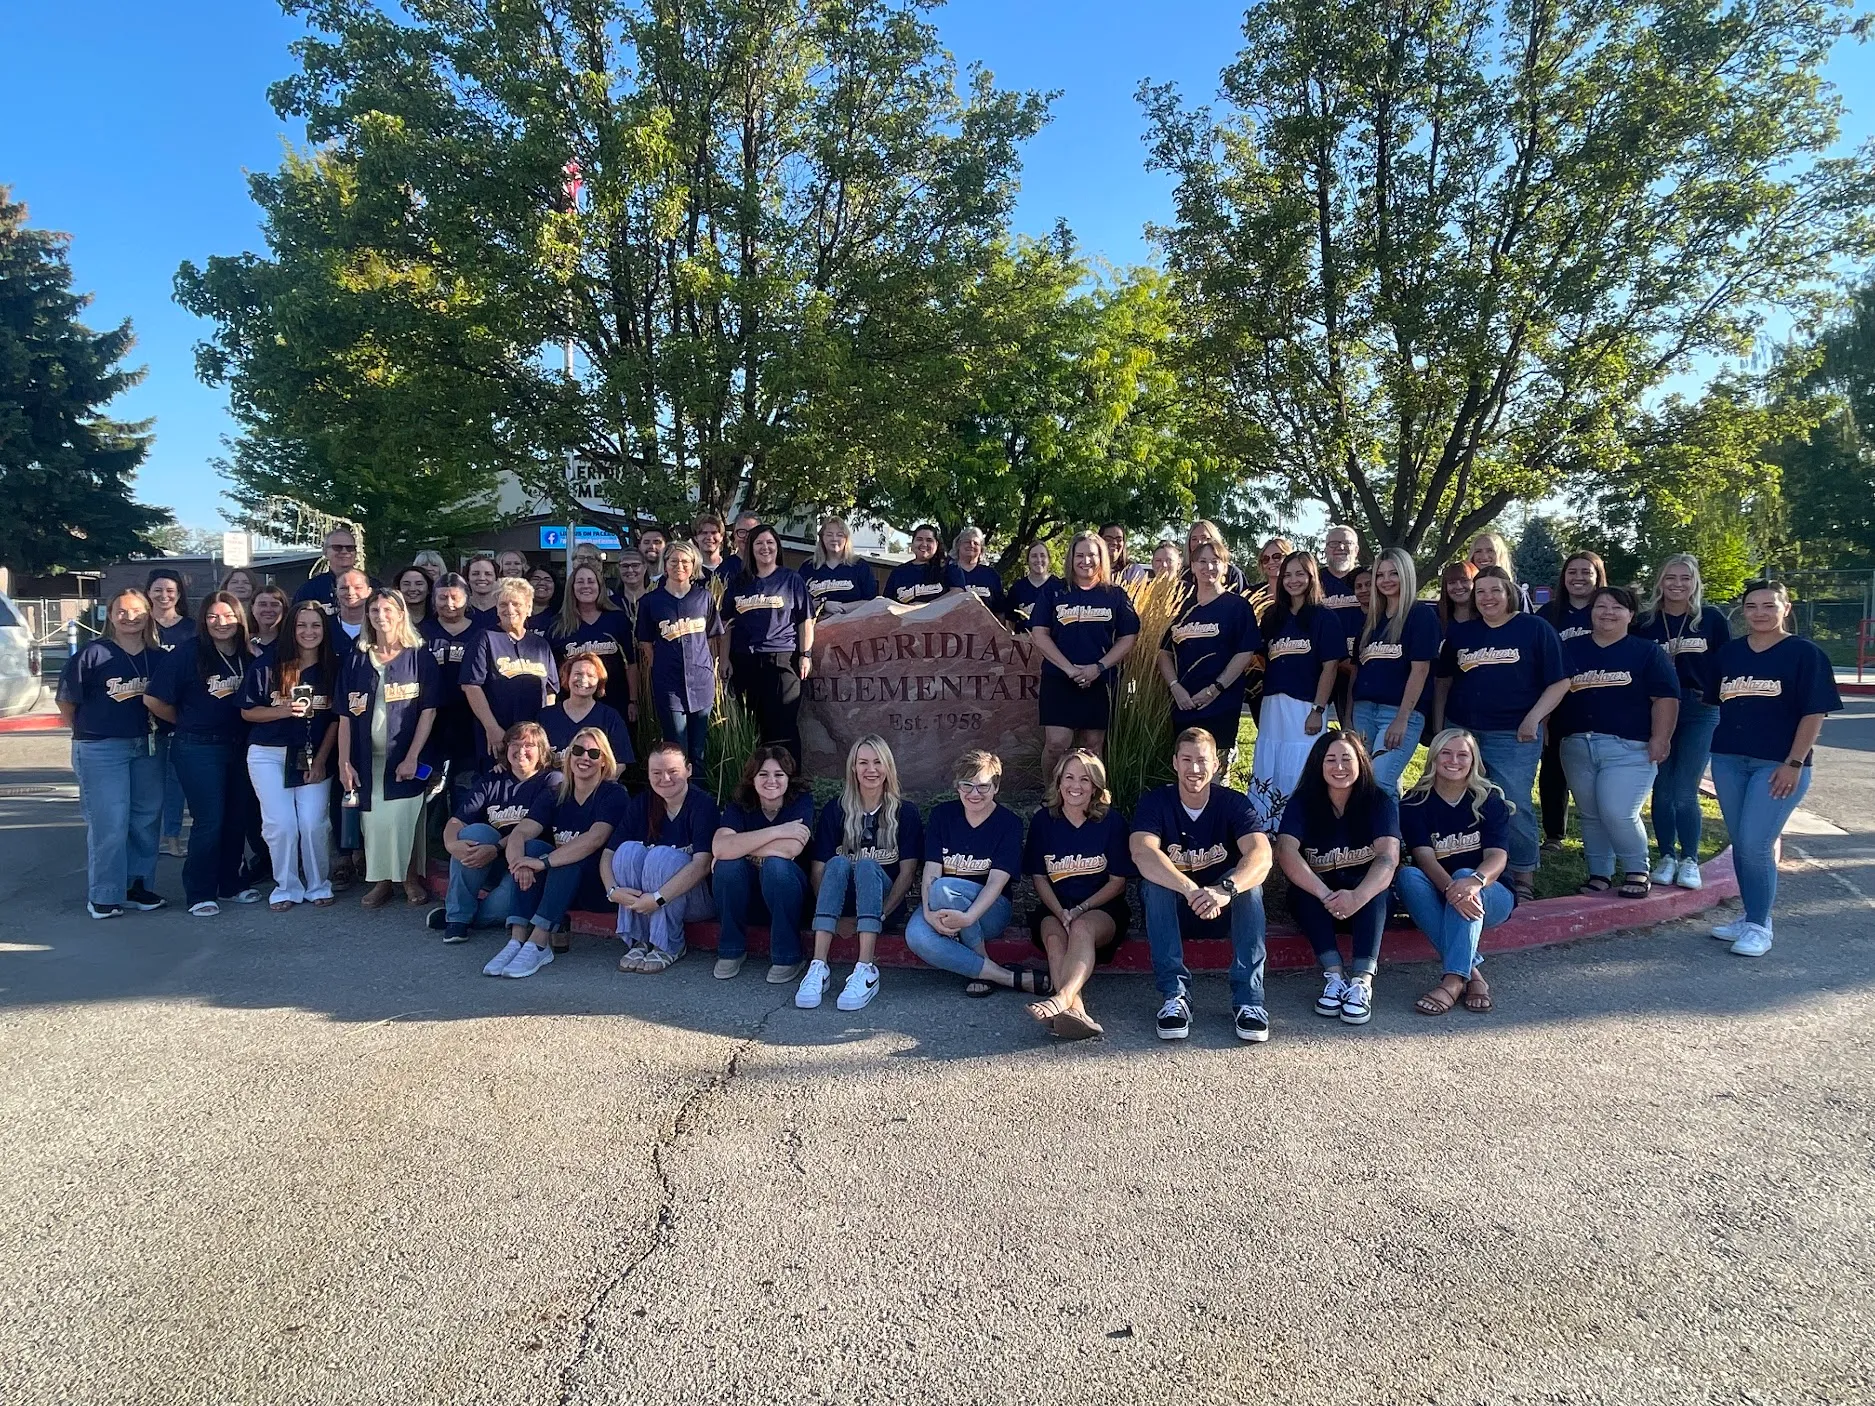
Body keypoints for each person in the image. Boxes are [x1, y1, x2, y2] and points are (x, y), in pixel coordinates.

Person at [1707, 580, 1843, 958]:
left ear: (1786, 608)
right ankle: (1749, 915)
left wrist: (1794, 762)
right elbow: (1714, 701)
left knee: (1755, 842)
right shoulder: (1730, 654)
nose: (1760, 613)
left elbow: (1814, 713)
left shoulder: (1804, 654)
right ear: (1743, 610)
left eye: (1769, 605)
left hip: (1778, 764)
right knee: (1742, 843)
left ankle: (1760, 925)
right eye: (1752, 606)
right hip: (1729, 760)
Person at [1432, 565, 1569, 901]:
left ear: (1509, 593)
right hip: (1464, 732)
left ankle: (1523, 874)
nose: (1487, 597)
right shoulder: (1462, 634)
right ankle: (1473, 864)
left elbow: (1560, 682)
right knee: (1463, 800)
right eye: (1481, 592)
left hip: (1514, 734)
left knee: (1512, 801)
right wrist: (1440, 728)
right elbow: (1443, 682)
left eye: (1495, 590)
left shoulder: (1534, 629)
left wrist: (1533, 719)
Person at [1130, 727, 1271, 1041]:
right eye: (1187, 760)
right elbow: (1142, 851)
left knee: (1251, 888)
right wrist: (1190, 889)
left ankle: (1249, 1000)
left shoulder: (1234, 803)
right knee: (1155, 884)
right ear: (1175, 763)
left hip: (1222, 911)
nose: (1194, 769)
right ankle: (1175, 996)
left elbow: (1262, 855)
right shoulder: (1156, 802)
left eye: (1202, 760)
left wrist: (1226, 890)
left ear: (1216, 765)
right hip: (1175, 911)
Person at [1554, 585, 1680, 898]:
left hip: (1628, 748)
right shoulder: (1570, 649)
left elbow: (1665, 698)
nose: (1608, 613)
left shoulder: (1646, 652)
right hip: (1576, 745)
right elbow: (1552, 690)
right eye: (1601, 607)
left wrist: (1660, 739)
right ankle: (1600, 873)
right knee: (1591, 812)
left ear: (1630, 615)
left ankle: (1637, 869)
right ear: (1590, 612)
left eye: (1617, 608)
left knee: (1617, 810)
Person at [1276, 729, 1401, 1026]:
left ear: (1361, 762)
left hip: (1366, 903)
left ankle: (1361, 982)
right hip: (1321, 901)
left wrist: (1357, 896)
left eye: (1347, 758)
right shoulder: (1303, 802)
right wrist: (1324, 894)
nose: (1339, 767)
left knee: (1376, 889)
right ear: (1318, 764)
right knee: (1300, 893)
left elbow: (1387, 857)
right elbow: (1285, 851)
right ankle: (1334, 976)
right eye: (1330, 759)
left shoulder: (1378, 802)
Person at [144, 593, 259, 916]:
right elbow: (153, 700)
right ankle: (199, 892)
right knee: (209, 820)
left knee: (236, 818)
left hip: (239, 745)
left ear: (240, 619)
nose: (222, 623)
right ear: (204, 621)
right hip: (198, 746)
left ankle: (230, 883)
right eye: (213, 617)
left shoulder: (247, 655)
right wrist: (186, 721)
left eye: (228, 616)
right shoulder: (188, 654)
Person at [57, 589, 168, 918]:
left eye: (137, 611)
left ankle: (137, 885)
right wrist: (84, 731)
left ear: (149, 614)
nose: (130, 617)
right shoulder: (93, 654)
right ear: (110, 614)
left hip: (148, 743)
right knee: (110, 822)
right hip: (101, 746)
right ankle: (104, 894)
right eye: (122, 611)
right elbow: (66, 701)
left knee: (146, 820)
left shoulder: (158, 657)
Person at [487, 726, 631, 974]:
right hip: (558, 885)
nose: (584, 757)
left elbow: (594, 839)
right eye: (578, 750)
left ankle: (540, 943)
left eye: (593, 754)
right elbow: (521, 832)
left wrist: (543, 863)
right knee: (530, 847)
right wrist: (518, 862)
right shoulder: (555, 792)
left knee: (567, 859)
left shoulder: (614, 794)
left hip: (596, 886)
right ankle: (517, 939)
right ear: (569, 756)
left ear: (604, 762)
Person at [795, 735, 922, 1012]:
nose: (871, 769)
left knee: (866, 865)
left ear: (888, 767)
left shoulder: (905, 813)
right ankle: (819, 968)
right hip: (841, 905)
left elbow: (907, 873)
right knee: (838, 864)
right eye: (863, 762)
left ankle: (866, 969)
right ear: (853, 768)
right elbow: (818, 871)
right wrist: (837, 918)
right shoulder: (835, 809)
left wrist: (882, 914)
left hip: (883, 907)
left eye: (878, 762)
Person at [904, 750, 1046, 997]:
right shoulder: (942, 816)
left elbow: (996, 882)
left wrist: (968, 918)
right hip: (941, 904)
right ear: (957, 786)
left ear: (996, 787)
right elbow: (931, 871)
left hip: (990, 912)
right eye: (966, 785)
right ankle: (1002, 976)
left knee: (943, 888)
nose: (974, 794)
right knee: (916, 936)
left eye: (982, 786)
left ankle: (978, 954)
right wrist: (927, 912)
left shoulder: (1008, 823)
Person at [1395, 728, 1515, 1015]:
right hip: (1443, 892)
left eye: (1463, 754)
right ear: (1434, 758)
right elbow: (1424, 858)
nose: (1454, 761)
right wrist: (1453, 891)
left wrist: (1473, 882)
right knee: (1407, 877)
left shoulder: (1489, 798)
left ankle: (1451, 981)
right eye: (1446, 753)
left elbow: (1497, 856)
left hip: (1491, 896)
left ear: (1473, 761)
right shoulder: (1414, 802)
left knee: (1464, 873)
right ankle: (1473, 975)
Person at [337, 588, 440, 909]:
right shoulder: (357, 658)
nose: (381, 616)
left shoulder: (418, 656)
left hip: (404, 757)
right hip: (366, 760)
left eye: (387, 610)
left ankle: (408, 879)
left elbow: (429, 709)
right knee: (374, 822)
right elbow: (343, 713)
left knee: (402, 819)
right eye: (375, 611)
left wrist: (413, 756)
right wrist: (344, 762)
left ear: (400, 614)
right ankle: (381, 881)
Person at [1023, 749, 1135, 1041]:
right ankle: (1077, 1011)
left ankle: (1060, 999)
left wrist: (1081, 908)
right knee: (1054, 937)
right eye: (1069, 777)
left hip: (1102, 910)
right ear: (1058, 782)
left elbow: (1118, 882)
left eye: (1085, 779)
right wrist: (1061, 911)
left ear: (1096, 786)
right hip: (1055, 907)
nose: (1076, 786)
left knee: (1081, 928)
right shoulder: (1043, 822)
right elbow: (1038, 876)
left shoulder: (1112, 822)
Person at [1639, 553, 1732, 889]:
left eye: (1685, 578)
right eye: (1670, 578)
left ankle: (1690, 858)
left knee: (1684, 788)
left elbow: (1727, 664)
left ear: (1695, 583)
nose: (1677, 585)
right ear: (1660, 582)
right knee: (1662, 787)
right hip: (1657, 708)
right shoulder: (1645, 622)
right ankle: (1666, 855)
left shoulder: (1711, 619)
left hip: (1700, 708)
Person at [239, 602, 339, 910]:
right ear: (290, 629)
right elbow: (247, 711)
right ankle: (285, 886)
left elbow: (338, 718)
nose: (308, 632)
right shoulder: (268, 666)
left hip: (313, 754)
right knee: (281, 823)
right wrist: (282, 710)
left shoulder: (334, 667)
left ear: (324, 630)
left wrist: (322, 760)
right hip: (269, 754)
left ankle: (319, 883)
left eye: (315, 625)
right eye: (301, 625)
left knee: (312, 823)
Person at [427, 721, 561, 945]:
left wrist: (496, 848)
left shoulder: (552, 780)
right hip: (489, 862)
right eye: (514, 744)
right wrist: (451, 844)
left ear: (542, 751)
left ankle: (463, 916)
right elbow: (457, 820)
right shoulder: (492, 779)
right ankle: (458, 920)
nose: (520, 751)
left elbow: (532, 828)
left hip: (525, 862)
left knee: (509, 897)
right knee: (475, 832)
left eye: (529, 745)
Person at [1031, 531, 1140, 779]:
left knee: (1093, 746)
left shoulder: (1115, 595)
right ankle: (1051, 796)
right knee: (1056, 744)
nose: (1086, 560)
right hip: (1059, 679)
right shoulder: (1054, 592)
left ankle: (1091, 800)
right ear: (1071, 558)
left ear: (1102, 558)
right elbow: (1039, 634)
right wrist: (1069, 669)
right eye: (1079, 555)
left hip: (1100, 680)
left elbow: (1128, 637)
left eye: (1092, 555)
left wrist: (1099, 667)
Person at [1247, 551, 1345, 828]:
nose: (1292, 580)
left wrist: (1318, 709)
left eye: (1300, 573)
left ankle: (1299, 828)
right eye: (1287, 575)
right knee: (1271, 763)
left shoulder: (1324, 618)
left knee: (1301, 765)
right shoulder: (1272, 617)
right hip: (1272, 705)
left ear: (1312, 576)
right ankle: (1266, 827)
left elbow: (1330, 667)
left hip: (1305, 706)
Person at [607, 740, 720, 973]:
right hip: (646, 900)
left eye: (673, 772)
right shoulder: (643, 803)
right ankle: (640, 940)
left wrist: (658, 898)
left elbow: (702, 864)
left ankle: (669, 944)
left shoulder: (702, 805)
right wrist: (612, 891)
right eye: (656, 773)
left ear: (688, 770)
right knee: (627, 851)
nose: (664, 779)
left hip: (696, 901)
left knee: (661, 856)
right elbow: (608, 854)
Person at [710, 746, 816, 983]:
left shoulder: (800, 802)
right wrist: (779, 831)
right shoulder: (739, 806)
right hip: (748, 898)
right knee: (727, 867)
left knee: (775, 866)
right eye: (763, 774)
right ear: (752, 778)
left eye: (779, 774)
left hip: (789, 897)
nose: (771, 781)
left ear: (789, 778)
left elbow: (791, 849)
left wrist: (739, 847)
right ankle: (731, 950)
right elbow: (719, 848)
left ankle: (787, 955)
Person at [1159, 537, 1262, 768]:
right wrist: (1175, 686)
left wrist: (1216, 689)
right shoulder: (1180, 607)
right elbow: (1163, 652)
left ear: (1225, 566)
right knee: (1188, 768)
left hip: (1221, 702)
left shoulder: (1237, 606)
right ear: (1193, 567)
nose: (1208, 567)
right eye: (1202, 561)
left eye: (1215, 561)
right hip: (1183, 702)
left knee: (1215, 769)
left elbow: (1245, 652)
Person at [1348, 548, 1441, 796]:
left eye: (1394, 573)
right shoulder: (1371, 621)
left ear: (1406, 575)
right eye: (1381, 575)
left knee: (1381, 782)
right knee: (1363, 782)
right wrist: (1349, 715)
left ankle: (1390, 836)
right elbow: (1358, 671)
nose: (1386, 580)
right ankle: (1370, 835)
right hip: (1364, 710)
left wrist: (1402, 719)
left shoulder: (1420, 616)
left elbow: (1420, 671)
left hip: (1398, 713)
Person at [721, 525, 814, 766]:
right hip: (745, 662)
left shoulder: (791, 579)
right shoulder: (739, 583)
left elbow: (806, 619)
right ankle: (758, 784)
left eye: (770, 543)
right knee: (753, 726)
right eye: (759, 543)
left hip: (782, 660)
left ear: (777, 547)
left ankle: (791, 784)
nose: (765, 548)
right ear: (750, 549)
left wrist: (805, 654)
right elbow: (726, 624)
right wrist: (724, 659)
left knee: (783, 727)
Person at [1535, 551, 1607, 852]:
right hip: (1559, 700)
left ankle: (1607, 829)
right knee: (1553, 766)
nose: (1578, 578)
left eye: (1586, 572)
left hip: (1601, 697)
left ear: (1597, 576)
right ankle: (1554, 834)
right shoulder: (1549, 614)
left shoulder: (1608, 608)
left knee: (1602, 768)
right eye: (1572, 572)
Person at [636, 541, 725, 767]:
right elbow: (646, 643)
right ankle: (676, 795)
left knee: (698, 750)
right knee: (676, 746)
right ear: (665, 565)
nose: (679, 566)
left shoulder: (703, 598)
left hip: (701, 681)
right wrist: (661, 667)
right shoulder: (650, 602)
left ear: (694, 565)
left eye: (685, 561)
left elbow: (714, 637)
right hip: (669, 683)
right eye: (673, 561)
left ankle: (699, 796)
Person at [462, 578, 559, 766]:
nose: (510, 609)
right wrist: (492, 729)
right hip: (497, 735)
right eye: (503, 604)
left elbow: (550, 691)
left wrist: (544, 731)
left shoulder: (540, 644)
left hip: (533, 739)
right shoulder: (484, 639)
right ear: (496, 608)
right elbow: (471, 686)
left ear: (529, 608)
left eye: (516, 604)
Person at [420, 573, 482, 804]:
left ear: (468, 598)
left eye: (455, 597)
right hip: (430, 720)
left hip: (470, 719)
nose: (449, 603)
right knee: (431, 782)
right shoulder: (420, 632)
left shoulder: (482, 632)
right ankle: (431, 835)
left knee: (466, 784)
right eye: (442, 597)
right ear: (433, 600)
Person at [146, 567, 195, 856]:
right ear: (148, 592)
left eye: (170, 590)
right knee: (150, 784)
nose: (164, 595)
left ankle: (173, 838)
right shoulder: (140, 625)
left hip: (180, 715)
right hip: (143, 716)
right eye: (158, 590)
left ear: (178, 594)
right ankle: (149, 839)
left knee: (175, 780)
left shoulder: (190, 628)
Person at [552, 562, 639, 717]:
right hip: (573, 704)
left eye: (591, 581)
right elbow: (553, 673)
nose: (586, 586)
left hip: (616, 702)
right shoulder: (559, 626)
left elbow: (631, 663)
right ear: (571, 587)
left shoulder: (617, 619)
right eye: (580, 581)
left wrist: (633, 700)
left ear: (600, 587)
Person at [539, 651, 636, 762]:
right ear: (567, 676)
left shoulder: (610, 717)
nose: (584, 680)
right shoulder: (545, 717)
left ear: (599, 682)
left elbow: (620, 763)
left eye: (591, 676)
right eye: (578, 674)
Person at [1318, 524, 1365, 725]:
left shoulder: (1366, 579)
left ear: (1356, 550)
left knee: (1353, 728)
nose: (1341, 548)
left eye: (1347, 543)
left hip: (1357, 666)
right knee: (1311, 725)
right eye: (1334, 543)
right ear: (1326, 549)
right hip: (1321, 666)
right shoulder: (1314, 580)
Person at [1245, 536, 1293, 724]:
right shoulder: (1251, 595)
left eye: (1277, 556)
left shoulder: (1297, 593)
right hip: (1257, 679)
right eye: (1265, 559)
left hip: (1291, 673)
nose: (1271, 562)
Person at [801, 516, 879, 616]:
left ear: (846, 539)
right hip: (817, 626)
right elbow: (799, 602)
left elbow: (872, 602)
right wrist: (823, 605)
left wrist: (841, 608)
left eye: (839, 535)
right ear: (822, 538)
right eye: (829, 535)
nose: (834, 539)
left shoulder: (860, 566)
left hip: (853, 625)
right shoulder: (809, 567)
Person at [293, 527, 371, 613]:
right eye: (337, 547)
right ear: (325, 552)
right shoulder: (309, 590)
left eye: (350, 548)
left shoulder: (373, 585)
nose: (344, 551)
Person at [883, 524, 957, 606]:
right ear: (912, 543)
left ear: (936, 544)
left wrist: (926, 606)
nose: (924, 544)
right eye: (919, 539)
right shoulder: (898, 572)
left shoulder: (949, 566)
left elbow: (958, 593)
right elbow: (887, 603)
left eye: (929, 540)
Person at [1468, 531, 1534, 612]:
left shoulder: (1516, 592)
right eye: (1478, 551)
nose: (1484, 556)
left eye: (1490, 550)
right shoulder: (1464, 591)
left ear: (1500, 555)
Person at [952, 527, 1008, 615]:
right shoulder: (947, 572)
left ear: (981, 550)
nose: (971, 545)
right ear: (958, 545)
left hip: (985, 626)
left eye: (976, 543)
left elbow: (999, 609)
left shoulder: (991, 575)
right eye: (967, 541)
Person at [1182, 520, 1247, 594]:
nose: (1199, 542)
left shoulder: (1233, 574)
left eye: (1204, 537)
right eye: (1194, 539)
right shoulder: (1183, 574)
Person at [1006, 543, 1059, 633]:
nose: (1039, 560)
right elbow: (1010, 622)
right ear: (1028, 560)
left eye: (1042, 555)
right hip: (1024, 643)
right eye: (1034, 556)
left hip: (1052, 644)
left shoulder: (1059, 586)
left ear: (1049, 559)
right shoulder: (1017, 588)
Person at [612, 548, 651, 636]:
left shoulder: (655, 602)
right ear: (619, 569)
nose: (630, 570)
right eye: (625, 566)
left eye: (635, 565)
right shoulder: (610, 604)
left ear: (645, 567)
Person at [1099, 524, 1152, 588]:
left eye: (1119, 540)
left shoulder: (1134, 571)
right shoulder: (1089, 568)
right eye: (1108, 539)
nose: (1114, 542)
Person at [720, 510, 762, 583]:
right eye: (742, 532)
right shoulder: (724, 570)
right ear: (734, 535)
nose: (747, 537)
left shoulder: (770, 567)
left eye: (752, 532)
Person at [1436, 560, 1479, 632]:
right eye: (1452, 582)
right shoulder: (1435, 618)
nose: (1459, 587)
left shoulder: (1488, 620)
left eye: (1464, 580)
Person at [248, 585, 289, 656]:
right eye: (262, 604)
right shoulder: (242, 644)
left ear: (284, 609)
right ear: (252, 608)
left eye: (274, 605)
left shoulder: (292, 644)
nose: (268, 609)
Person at [463, 551, 501, 626]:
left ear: (496, 578)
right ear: (467, 577)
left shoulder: (505, 609)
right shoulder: (460, 609)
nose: (482, 578)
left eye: (488, 574)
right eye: (475, 574)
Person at [392, 565, 432, 630]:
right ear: (398, 588)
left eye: (419, 584)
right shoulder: (391, 619)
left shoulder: (439, 619)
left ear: (429, 588)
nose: (412, 589)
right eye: (406, 584)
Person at [692, 512, 730, 580]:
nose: (709, 537)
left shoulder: (731, 569)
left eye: (714, 532)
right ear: (696, 538)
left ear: (721, 537)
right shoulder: (690, 572)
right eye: (704, 533)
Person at [525, 565, 559, 633]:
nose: (542, 583)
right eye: (536, 579)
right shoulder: (515, 612)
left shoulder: (560, 616)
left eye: (548, 580)